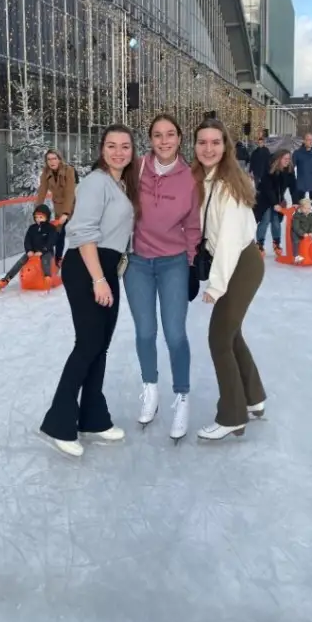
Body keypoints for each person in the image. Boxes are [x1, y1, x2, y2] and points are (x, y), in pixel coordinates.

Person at [40, 125, 138, 457]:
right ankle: (59, 422)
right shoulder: (97, 181)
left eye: (125, 146)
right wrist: (98, 279)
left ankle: (93, 418)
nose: (119, 152)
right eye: (112, 145)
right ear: (101, 148)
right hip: (88, 267)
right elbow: (82, 231)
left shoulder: (118, 183)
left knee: (100, 346)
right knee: (88, 344)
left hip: (106, 267)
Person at [124, 114, 201, 441]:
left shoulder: (190, 178)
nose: (164, 141)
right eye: (158, 135)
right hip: (138, 264)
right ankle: (150, 388)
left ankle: (182, 396)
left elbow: (194, 225)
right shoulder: (136, 168)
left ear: (179, 138)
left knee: (174, 334)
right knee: (144, 332)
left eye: (170, 134)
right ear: (150, 139)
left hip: (173, 263)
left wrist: (191, 261)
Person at [192, 119, 266, 440]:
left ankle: (233, 415)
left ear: (226, 146)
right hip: (235, 262)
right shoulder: (206, 179)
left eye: (215, 142)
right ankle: (254, 397)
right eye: (202, 142)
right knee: (232, 335)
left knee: (219, 339)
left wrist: (217, 285)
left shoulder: (227, 185)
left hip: (240, 264)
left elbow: (229, 240)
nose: (209, 149)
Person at [0, 204, 57, 291]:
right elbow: (27, 241)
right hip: (33, 252)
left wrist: (43, 251)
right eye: (37, 217)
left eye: (41, 217)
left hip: (46, 252)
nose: (38, 219)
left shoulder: (51, 228)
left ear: (47, 217)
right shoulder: (32, 228)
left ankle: (47, 277)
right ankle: (6, 279)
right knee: (20, 262)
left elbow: (51, 241)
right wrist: (29, 251)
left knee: (45, 261)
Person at [35, 150, 77, 266]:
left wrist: (66, 213)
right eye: (49, 159)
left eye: (54, 158)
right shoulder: (46, 172)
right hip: (58, 206)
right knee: (58, 233)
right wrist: (37, 211)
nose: (52, 161)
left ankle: (83, 258)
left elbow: (70, 192)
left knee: (78, 233)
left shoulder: (69, 170)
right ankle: (57, 260)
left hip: (73, 204)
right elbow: (42, 191)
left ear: (59, 159)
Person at [255, 149, 297, 255]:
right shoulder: (269, 169)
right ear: (279, 159)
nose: (288, 161)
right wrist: (275, 204)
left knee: (276, 222)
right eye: (285, 159)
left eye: (289, 159)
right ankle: (259, 244)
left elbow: (294, 187)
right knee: (265, 220)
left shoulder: (289, 170)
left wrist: (295, 201)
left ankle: (276, 243)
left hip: (278, 200)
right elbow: (267, 189)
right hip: (264, 199)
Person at [291, 197, 312, 263]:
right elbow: (296, 227)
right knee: (296, 241)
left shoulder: (311, 215)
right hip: (296, 233)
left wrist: (311, 232)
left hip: (307, 232)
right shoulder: (297, 215)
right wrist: (302, 233)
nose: (307, 210)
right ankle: (296, 256)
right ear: (301, 208)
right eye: (305, 208)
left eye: (309, 208)